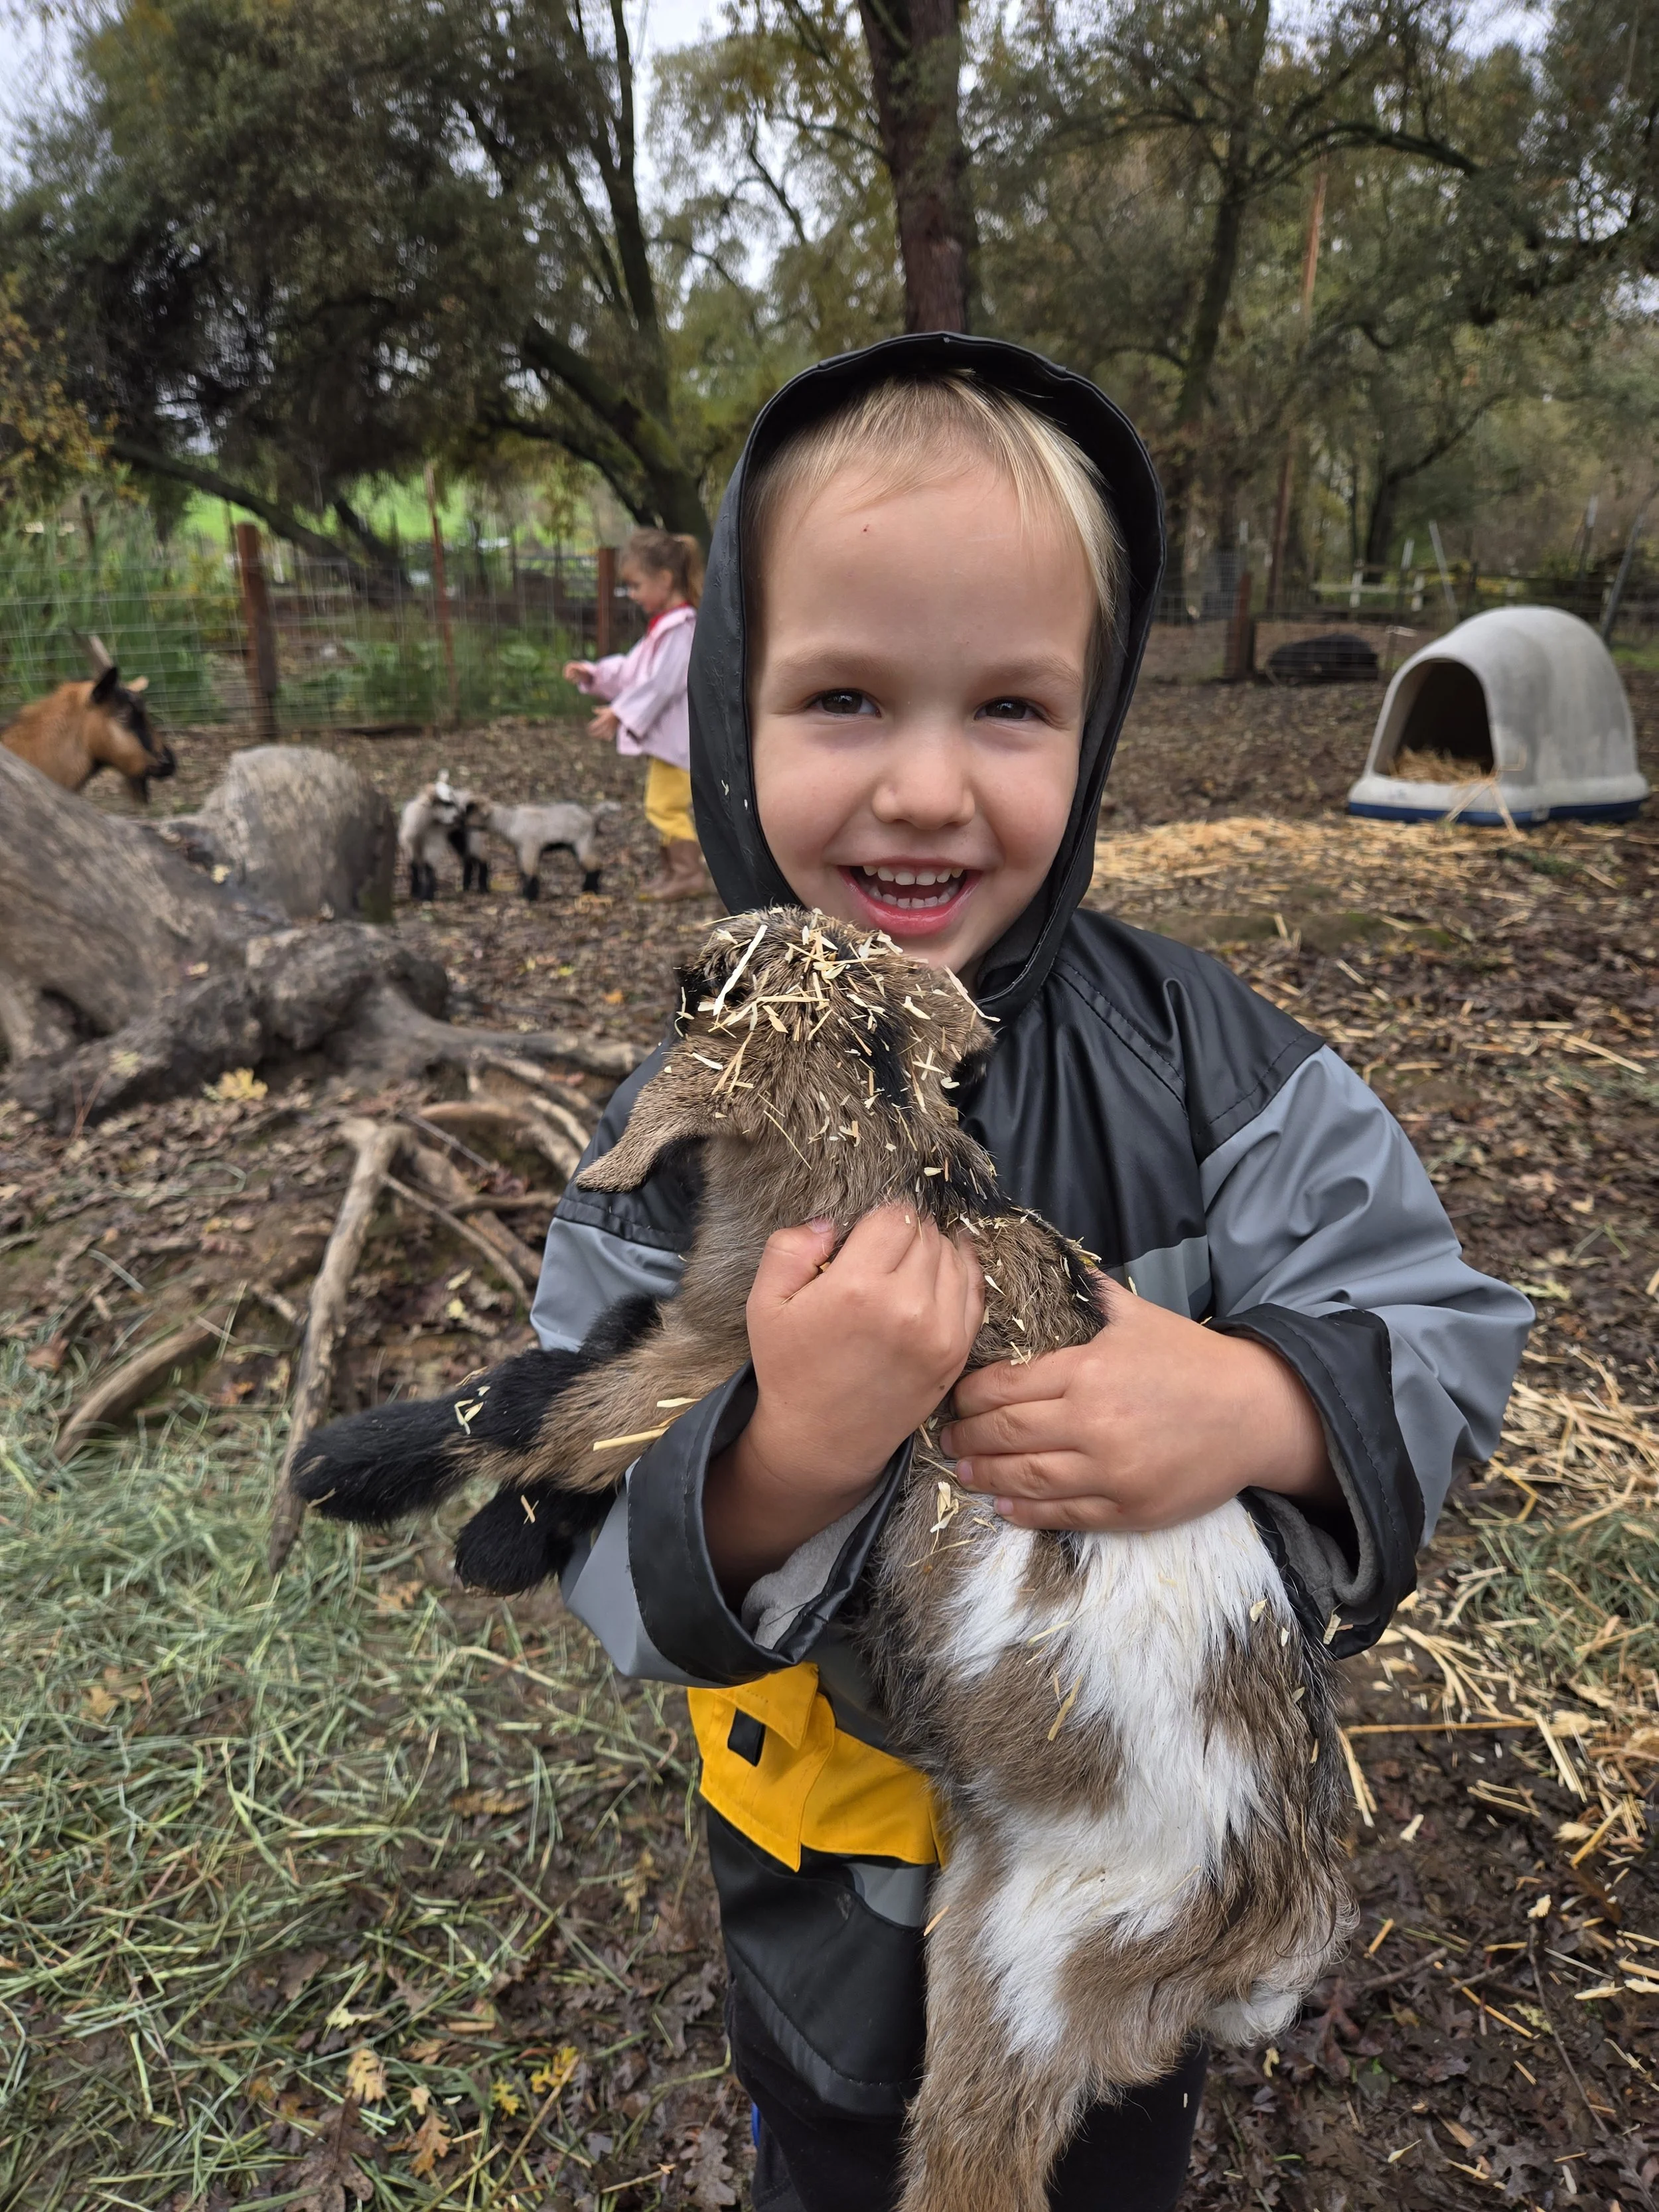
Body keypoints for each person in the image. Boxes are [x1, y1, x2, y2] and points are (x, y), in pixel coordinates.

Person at [531, 337, 1532, 2211]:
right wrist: (784, 1459)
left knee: (1097, 2153)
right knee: (833, 2153)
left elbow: (1441, 1327)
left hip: (1137, 1885)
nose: (925, 786)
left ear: (1094, 724)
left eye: (1007, 705)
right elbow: (590, 1510)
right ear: (730, 714)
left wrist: (1257, 1401)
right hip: (823, 1905)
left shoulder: (1207, 1059)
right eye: (841, 696)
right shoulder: (688, 1119)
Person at [564, 527, 708, 900]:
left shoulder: (683, 628)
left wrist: (621, 713)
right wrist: (594, 673)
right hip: (668, 741)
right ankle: (674, 873)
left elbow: (662, 685)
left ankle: (689, 874)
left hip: (681, 741)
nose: (632, 595)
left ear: (664, 579)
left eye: (636, 585)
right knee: (662, 806)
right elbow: (632, 670)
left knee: (664, 806)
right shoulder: (663, 627)